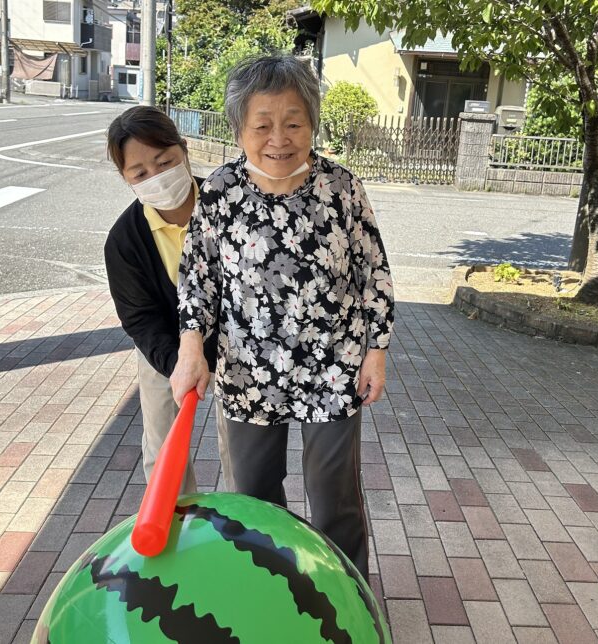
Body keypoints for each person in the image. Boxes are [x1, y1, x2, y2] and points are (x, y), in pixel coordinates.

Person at [170, 55, 395, 579]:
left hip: (332, 364)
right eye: (262, 124)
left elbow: (374, 273)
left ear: (312, 123)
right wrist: (189, 350)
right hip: (248, 369)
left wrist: (375, 353)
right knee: (253, 499)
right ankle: (265, 595)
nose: (279, 138)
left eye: (293, 122)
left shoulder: (342, 188)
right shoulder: (221, 192)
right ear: (239, 129)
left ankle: (348, 598)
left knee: (334, 499)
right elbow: (198, 279)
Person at [104, 106, 230, 496]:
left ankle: (245, 532)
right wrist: (181, 364)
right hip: (165, 348)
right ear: (126, 179)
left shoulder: (230, 206)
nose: (156, 177)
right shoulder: (125, 240)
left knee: (243, 447)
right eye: (140, 173)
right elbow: (140, 318)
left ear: (185, 148)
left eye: (165, 161)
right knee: (162, 449)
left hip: (237, 345)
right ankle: (177, 531)